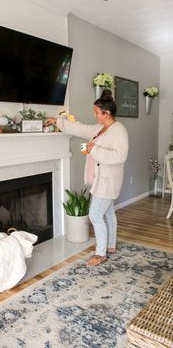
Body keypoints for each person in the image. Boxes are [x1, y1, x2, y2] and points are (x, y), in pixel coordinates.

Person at [45, 89, 129, 266]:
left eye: (97, 113)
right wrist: (58, 121)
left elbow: (120, 156)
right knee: (108, 213)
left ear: (106, 113)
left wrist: (93, 150)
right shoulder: (101, 128)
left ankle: (101, 253)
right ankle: (111, 245)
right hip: (102, 179)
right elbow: (81, 128)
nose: (95, 115)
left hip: (107, 181)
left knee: (95, 216)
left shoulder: (118, 130)